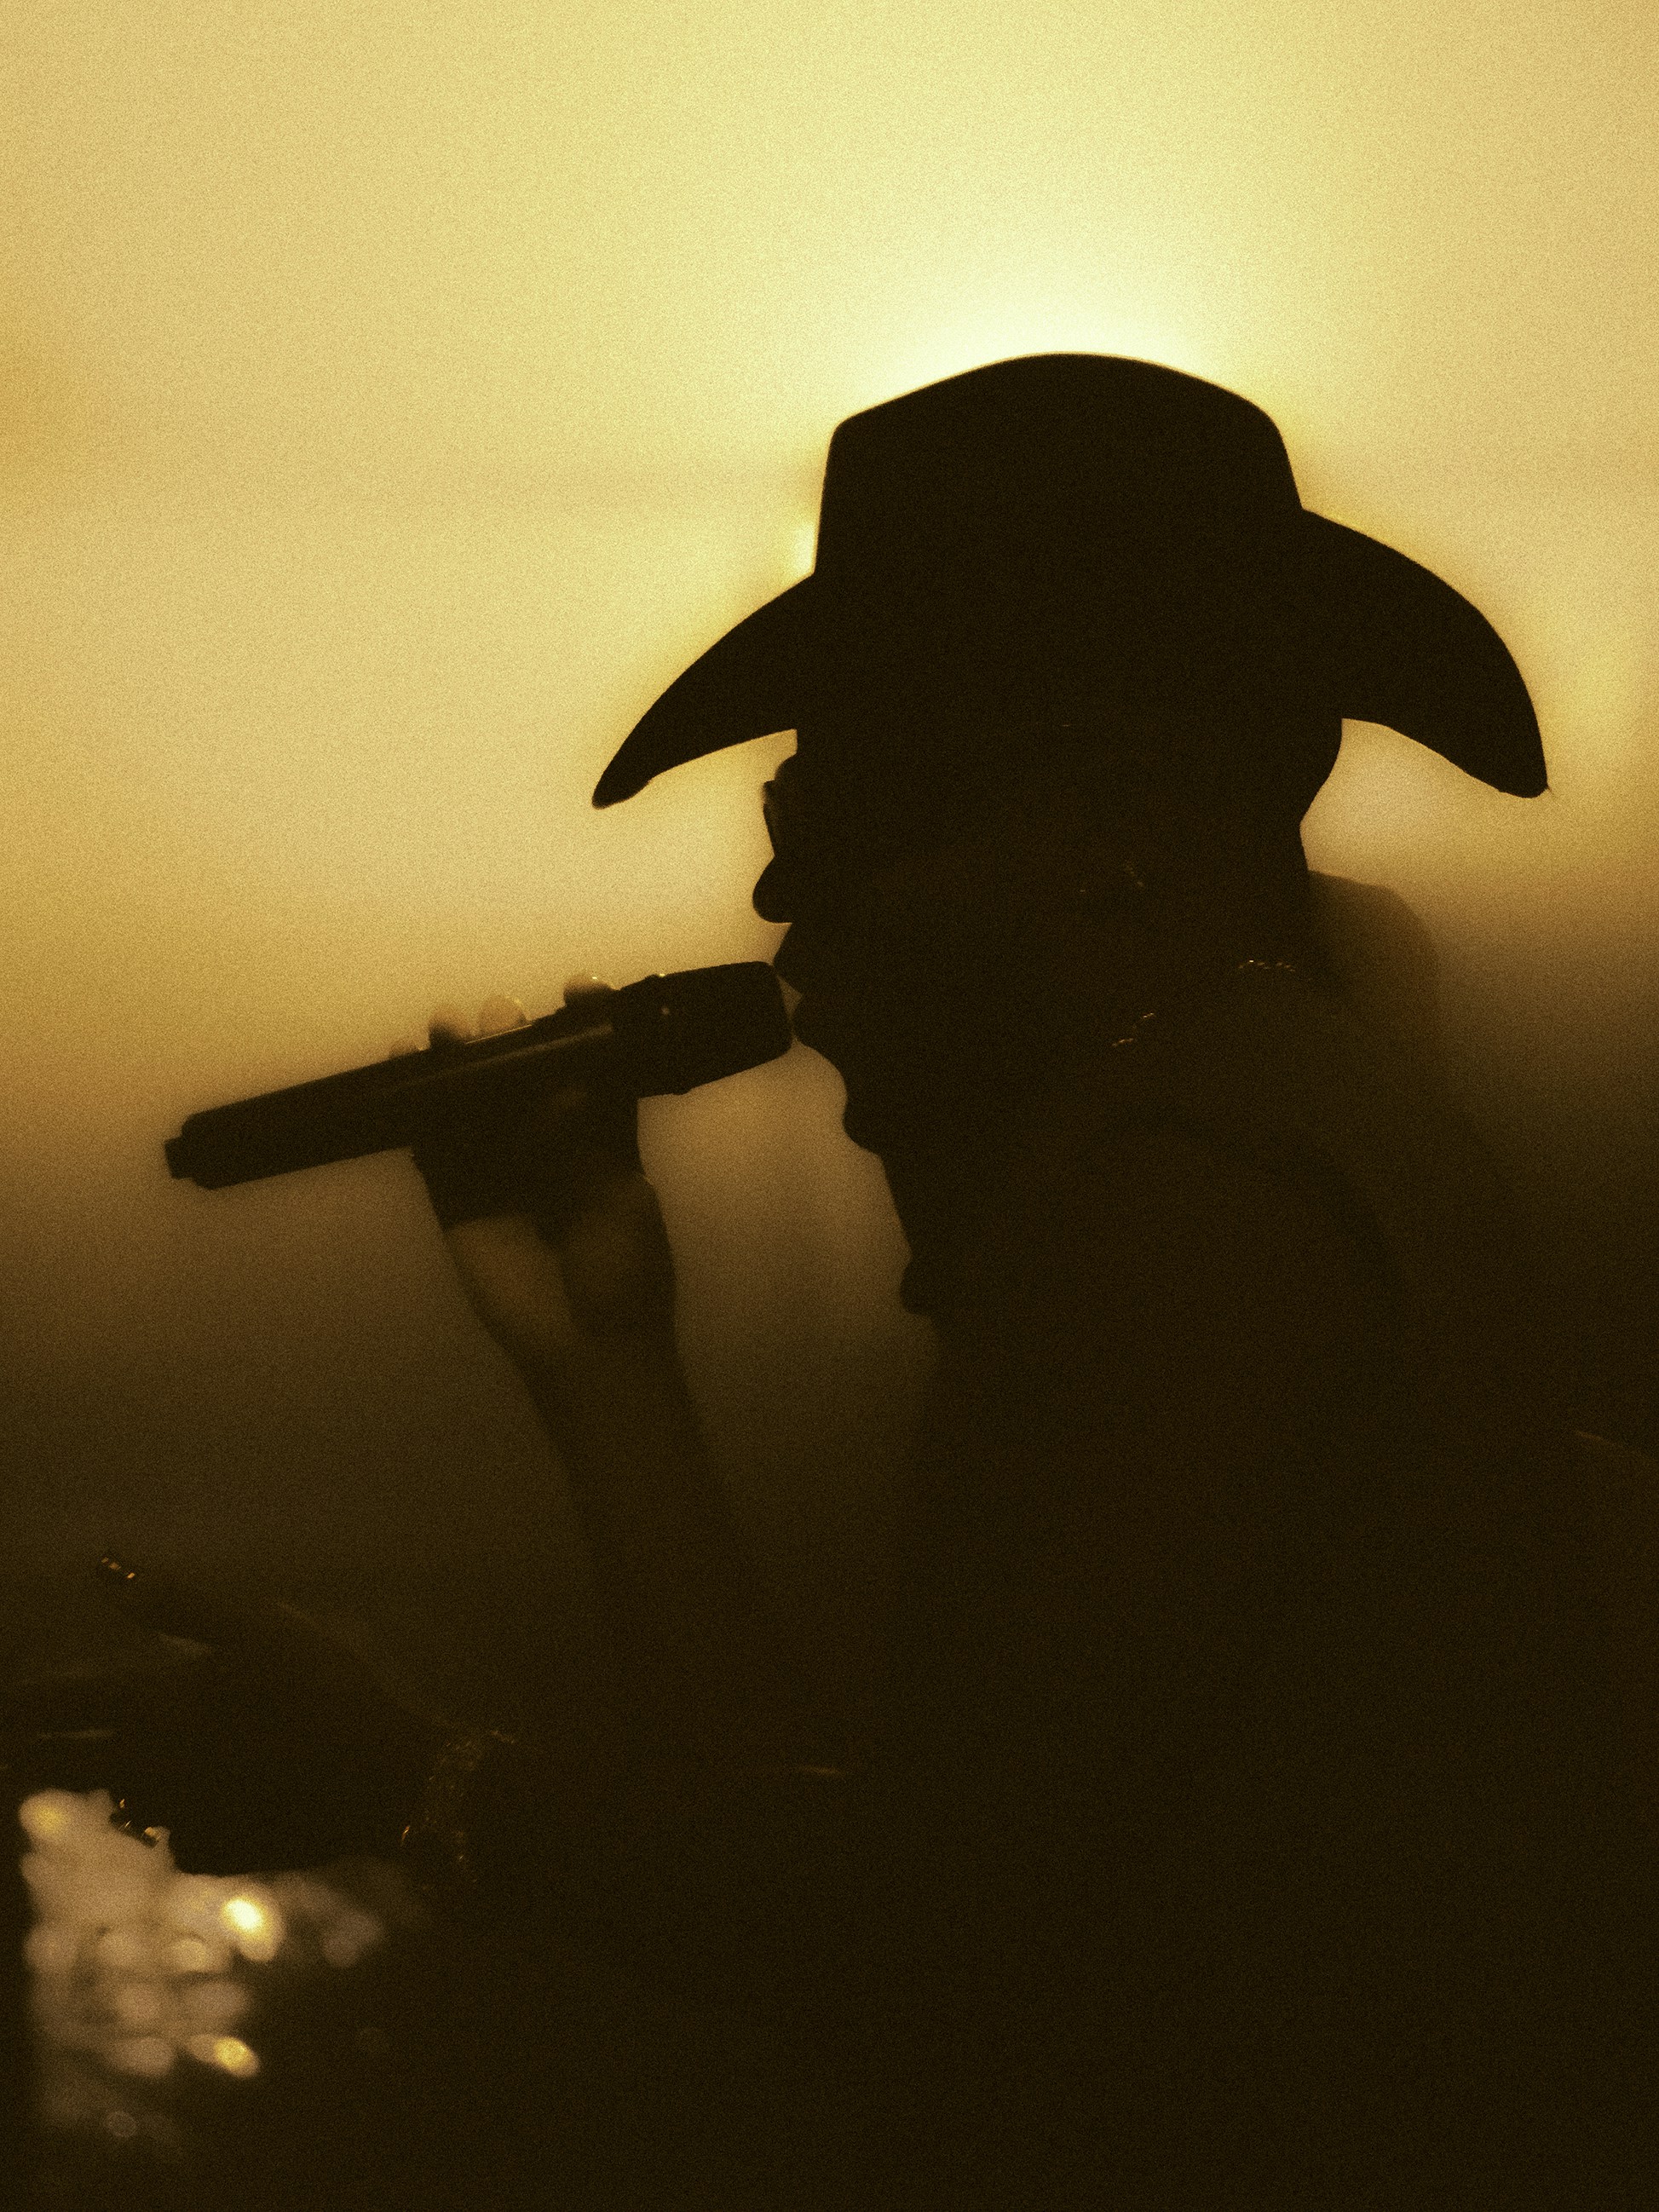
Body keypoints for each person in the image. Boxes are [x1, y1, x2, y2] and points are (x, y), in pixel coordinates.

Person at [7, 356, 1656, 2205]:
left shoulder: (1192, 1191)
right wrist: (607, 1356)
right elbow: (874, 1834)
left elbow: (919, 1949)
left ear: (1109, 832)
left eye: (843, 815)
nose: (782, 908)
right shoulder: (1265, 1119)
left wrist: (414, 1777)